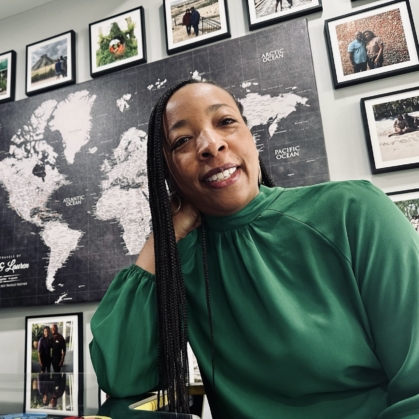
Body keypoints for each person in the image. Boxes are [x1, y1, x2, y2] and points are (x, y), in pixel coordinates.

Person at [90, 80, 419, 418]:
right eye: (183, 140)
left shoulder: (354, 212)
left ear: (251, 137)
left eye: (225, 122)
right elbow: (121, 377)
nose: (211, 145)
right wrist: (160, 240)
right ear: (169, 173)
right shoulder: (181, 262)